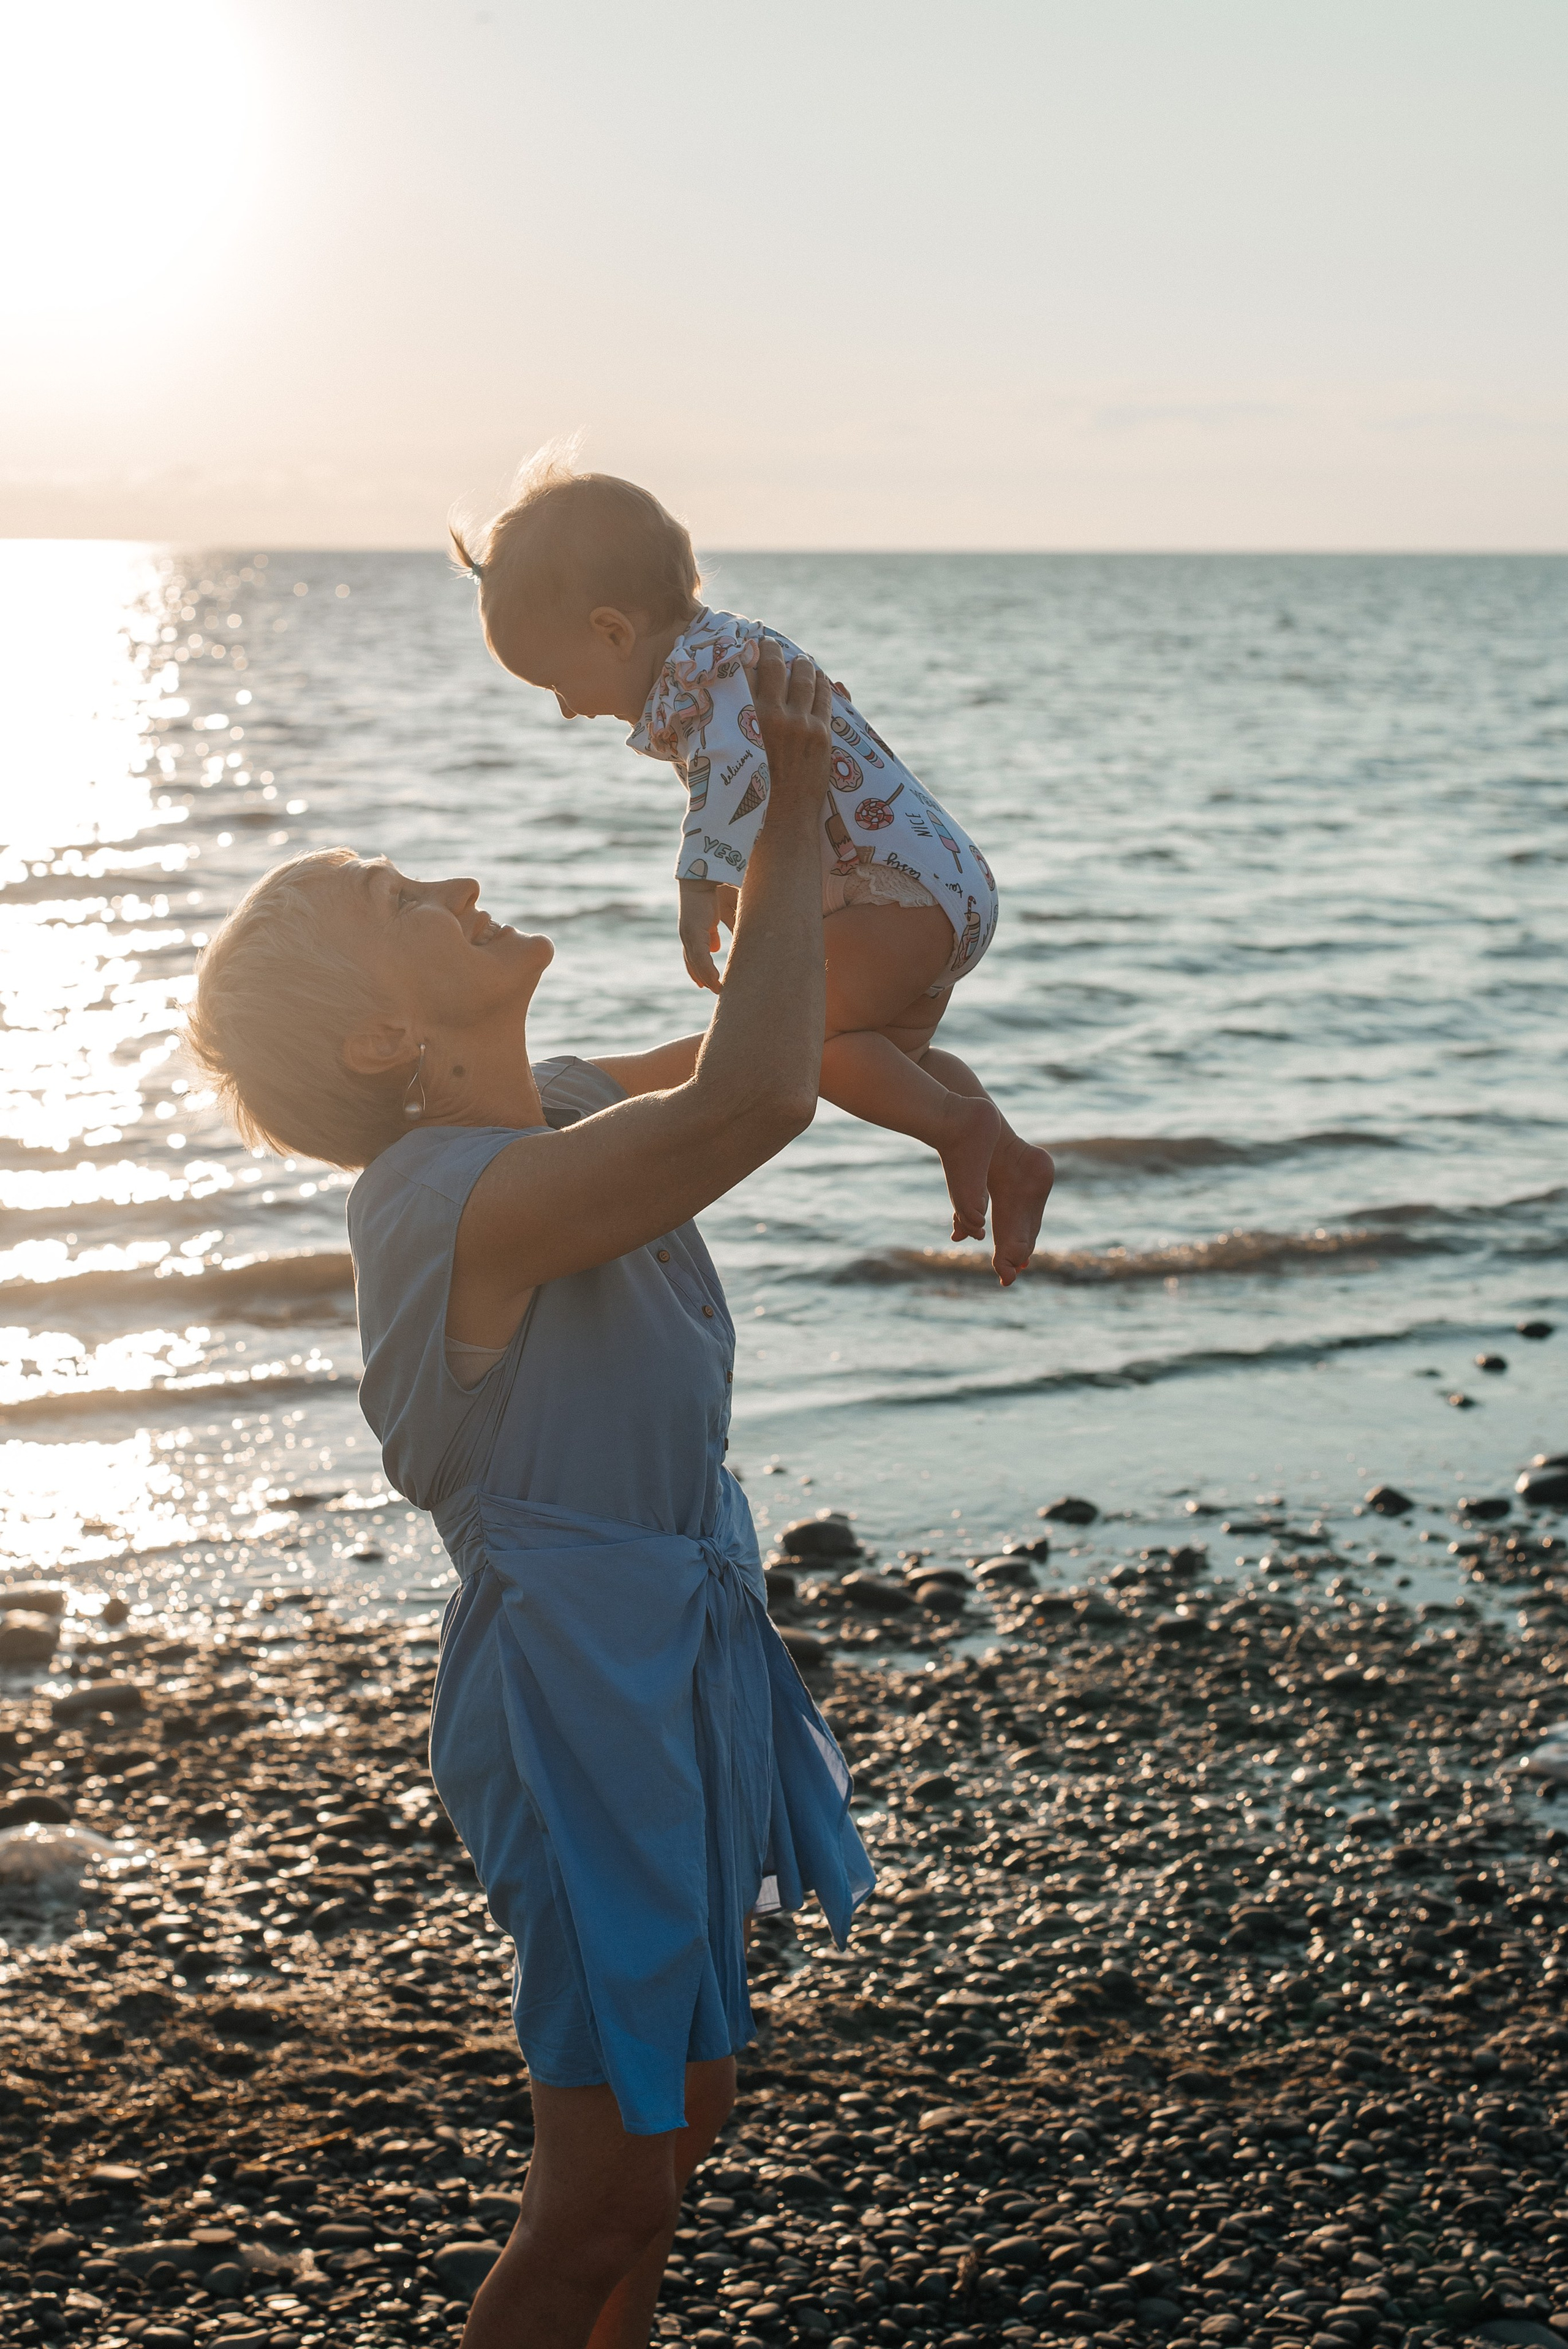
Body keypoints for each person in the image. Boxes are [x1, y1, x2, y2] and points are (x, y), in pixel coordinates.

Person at [185, 643, 878, 2349]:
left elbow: (798, 1045)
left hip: (682, 1650)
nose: (459, 878)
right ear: (381, 1035)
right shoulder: (442, 1203)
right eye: (400, 896)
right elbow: (758, 1096)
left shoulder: (559, 1111)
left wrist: (967, 1110)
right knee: (605, 2192)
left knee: (686, 2108)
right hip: (577, 1694)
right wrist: (784, 815)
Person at [451, 443, 1055, 1287]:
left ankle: (963, 1130)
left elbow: (733, 772)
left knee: (804, 1043)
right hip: (937, 889)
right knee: (885, 1057)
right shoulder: (728, 651)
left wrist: (700, 886)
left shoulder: (701, 676)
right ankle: (1010, 1158)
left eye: (556, 681)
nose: (565, 708)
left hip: (895, 896)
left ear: (613, 631)